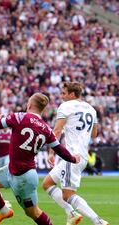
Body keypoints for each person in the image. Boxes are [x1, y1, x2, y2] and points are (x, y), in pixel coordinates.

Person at [0, 93, 80, 225]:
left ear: (29, 105)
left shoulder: (20, 117)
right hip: (12, 170)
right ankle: (4, 211)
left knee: (33, 212)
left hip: (24, 178)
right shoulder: (47, 129)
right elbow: (59, 149)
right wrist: (73, 158)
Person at [42, 82, 109, 225]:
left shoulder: (65, 107)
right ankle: (71, 213)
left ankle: (98, 221)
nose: (62, 96)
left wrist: (51, 153)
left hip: (71, 156)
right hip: (82, 155)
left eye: (64, 93)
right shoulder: (91, 108)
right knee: (47, 184)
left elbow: (57, 131)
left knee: (68, 195)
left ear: (72, 94)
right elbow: (95, 134)